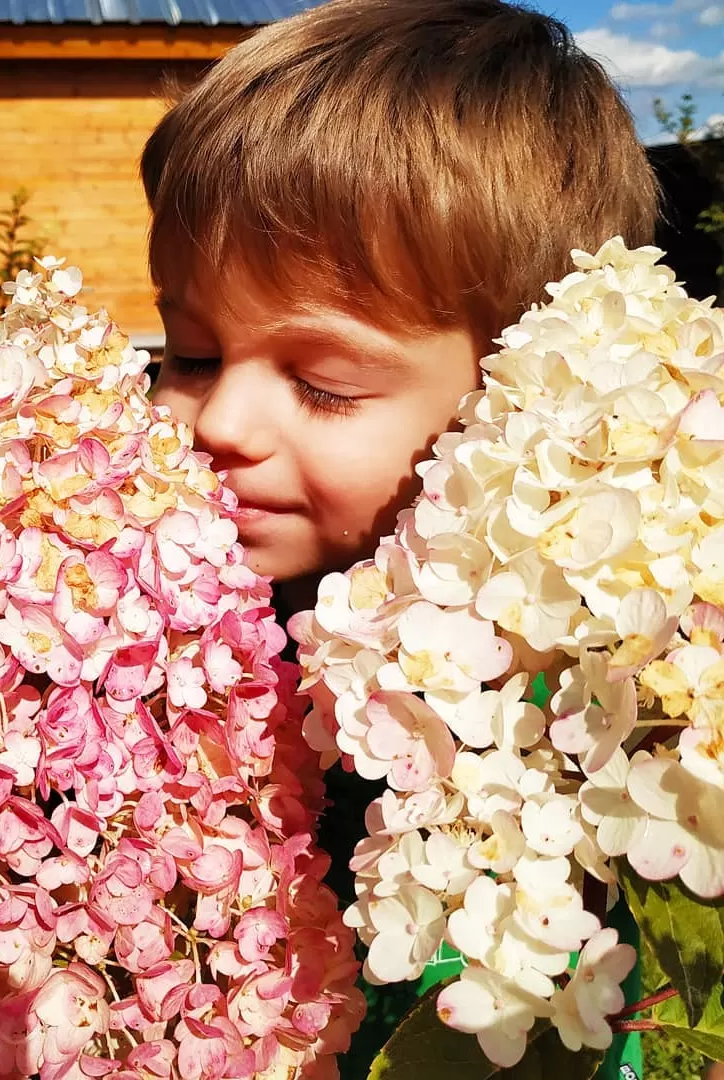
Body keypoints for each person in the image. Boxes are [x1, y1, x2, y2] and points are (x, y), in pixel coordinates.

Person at [141, 0, 660, 1071]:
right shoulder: (160, 603)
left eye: (323, 386)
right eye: (188, 353)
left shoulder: (583, 712)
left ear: (529, 398)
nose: (221, 425)